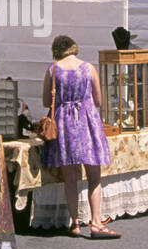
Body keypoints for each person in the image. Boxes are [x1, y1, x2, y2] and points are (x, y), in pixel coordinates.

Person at [42, 35, 117, 238]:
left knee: (70, 177)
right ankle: (95, 222)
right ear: (74, 48)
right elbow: (98, 100)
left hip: (64, 123)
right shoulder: (88, 68)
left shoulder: (53, 69)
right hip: (87, 122)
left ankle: (75, 223)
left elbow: (45, 100)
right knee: (94, 176)